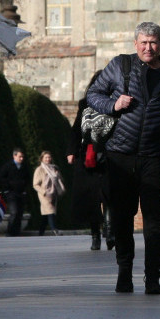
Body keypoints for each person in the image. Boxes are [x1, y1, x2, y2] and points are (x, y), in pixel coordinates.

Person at [86, 21, 160, 295]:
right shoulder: (120, 66)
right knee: (122, 218)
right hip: (120, 156)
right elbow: (92, 94)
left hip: (154, 157)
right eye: (143, 42)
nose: (148, 47)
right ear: (135, 44)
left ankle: (153, 277)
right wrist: (113, 104)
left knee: (154, 221)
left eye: (153, 42)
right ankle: (124, 273)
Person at [69, 72, 112, 251]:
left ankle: (110, 231)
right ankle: (95, 235)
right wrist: (70, 151)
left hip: (111, 156)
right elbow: (76, 129)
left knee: (110, 196)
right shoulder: (85, 103)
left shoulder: (116, 103)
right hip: (89, 156)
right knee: (92, 199)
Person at [0, 149, 30, 236]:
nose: (21, 158)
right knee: (14, 212)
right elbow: (1, 177)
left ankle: (17, 232)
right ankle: (10, 231)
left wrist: (24, 188)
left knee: (20, 213)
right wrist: (8, 185)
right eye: (19, 156)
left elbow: (28, 178)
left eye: (22, 157)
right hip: (11, 192)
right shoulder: (8, 166)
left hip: (21, 192)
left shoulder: (24, 167)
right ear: (14, 156)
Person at [32, 151, 65, 235]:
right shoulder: (39, 170)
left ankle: (41, 232)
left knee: (46, 215)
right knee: (50, 211)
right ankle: (54, 230)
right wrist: (43, 192)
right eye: (46, 157)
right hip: (44, 194)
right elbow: (35, 184)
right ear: (42, 159)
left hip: (53, 193)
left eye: (49, 157)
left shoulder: (54, 168)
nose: (48, 159)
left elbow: (60, 179)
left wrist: (57, 175)